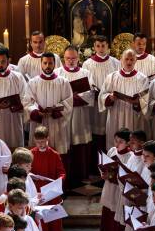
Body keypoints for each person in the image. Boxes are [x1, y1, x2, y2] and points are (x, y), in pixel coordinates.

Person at [23, 52, 73, 158]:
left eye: (50, 63)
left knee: (57, 153)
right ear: (41, 64)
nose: (47, 66)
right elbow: (27, 102)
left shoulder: (63, 82)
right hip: (39, 123)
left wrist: (55, 110)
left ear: (55, 64)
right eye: (45, 63)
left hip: (57, 123)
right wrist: (36, 111)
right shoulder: (33, 82)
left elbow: (68, 102)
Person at [99, 48, 149, 149]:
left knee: (131, 145)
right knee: (115, 146)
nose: (129, 62)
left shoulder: (142, 78)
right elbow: (102, 96)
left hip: (133, 116)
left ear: (136, 60)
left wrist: (137, 102)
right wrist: (110, 98)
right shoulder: (111, 77)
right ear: (121, 59)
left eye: (131, 59)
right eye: (126, 59)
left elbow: (145, 101)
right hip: (115, 115)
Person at [57, 45, 93, 185]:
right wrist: (73, 97)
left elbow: (89, 94)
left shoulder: (85, 73)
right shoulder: (57, 73)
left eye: (73, 58)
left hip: (80, 115)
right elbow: (57, 96)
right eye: (67, 58)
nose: (71, 61)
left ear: (78, 58)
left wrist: (69, 99)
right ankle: (66, 175)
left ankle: (80, 175)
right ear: (63, 59)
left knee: (79, 144)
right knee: (64, 144)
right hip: (62, 117)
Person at [82, 35, 120, 153]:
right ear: (94, 47)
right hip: (94, 103)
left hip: (111, 102)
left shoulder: (115, 62)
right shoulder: (87, 64)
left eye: (103, 46)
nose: (101, 49)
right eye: (98, 46)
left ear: (108, 46)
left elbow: (118, 79)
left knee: (109, 129)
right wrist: (93, 91)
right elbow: (85, 81)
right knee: (95, 132)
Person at [30, 125, 66, 231]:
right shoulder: (31, 154)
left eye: (43, 141)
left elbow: (62, 173)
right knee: (41, 217)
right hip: (38, 191)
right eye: (38, 142)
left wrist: (58, 181)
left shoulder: (54, 154)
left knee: (53, 218)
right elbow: (27, 171)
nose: (41, 144)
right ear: (34, 140)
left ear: (48, 139)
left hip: (52, 191)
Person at [99, 127, 131, 231]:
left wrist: (113, 176)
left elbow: (127, 175)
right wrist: (103, 173)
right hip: (109, 187)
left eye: (120, 141)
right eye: (115, 140)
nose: (117, 144)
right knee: (107, 210)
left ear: (128, 142)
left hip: (118, 189)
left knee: (115, 211)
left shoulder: (130, 156)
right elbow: (105, 164)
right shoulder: (112, 150)